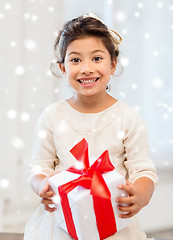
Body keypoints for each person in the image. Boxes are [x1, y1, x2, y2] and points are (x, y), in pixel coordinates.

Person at [24, 13, 158, 240]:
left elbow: (143, 170)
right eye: (75, 60)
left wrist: (141, 194)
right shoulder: (52, 116)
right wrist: (42, 185)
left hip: (113, 221)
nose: (86, 68)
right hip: (61, 222)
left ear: (113, 63)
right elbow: (38, 167)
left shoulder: (127, 117)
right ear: (63, 68)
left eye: (97, 58)